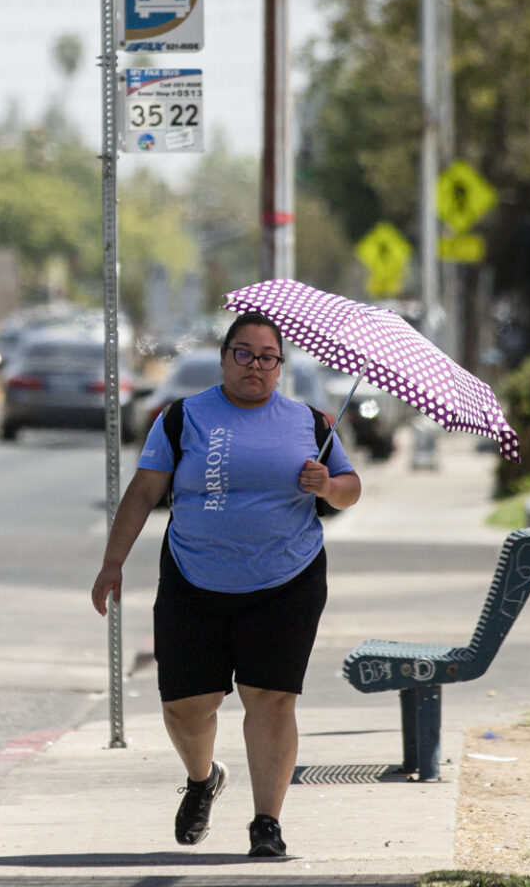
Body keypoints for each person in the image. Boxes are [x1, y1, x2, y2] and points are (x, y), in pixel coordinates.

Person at [90, 311, 361, 858]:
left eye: (267, 357)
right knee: (186, 706)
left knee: (271, 698)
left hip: (287, 578)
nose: (255, 366)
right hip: (195, 577)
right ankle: (202, 779)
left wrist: (327, 484)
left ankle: (267, 823)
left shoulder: (310, 423)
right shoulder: (182, 417)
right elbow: (144, 494)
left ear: (279, 366)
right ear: (224, 357)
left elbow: (351, 489)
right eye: (244, 353)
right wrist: (112, 563)